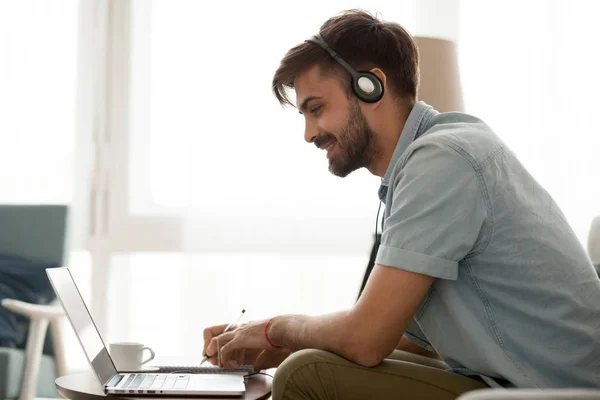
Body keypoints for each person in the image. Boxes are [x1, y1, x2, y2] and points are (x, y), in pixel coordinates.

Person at [202, 9, 600, 399]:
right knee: (305, 359)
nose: (309, 134)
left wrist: (276, 328)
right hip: (520, 381)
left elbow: (366, 340)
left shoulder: (442, 161)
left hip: (557, 392)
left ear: (370, 86)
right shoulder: (432, 159)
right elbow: (412, 342)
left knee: (307, 374)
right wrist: (274, 344)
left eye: (316, 109)